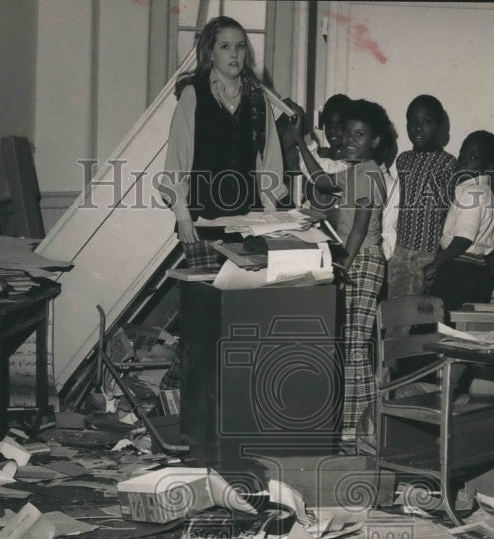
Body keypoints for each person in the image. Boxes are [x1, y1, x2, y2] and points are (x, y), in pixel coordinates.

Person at [290, 100, 398, 444]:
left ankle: (364, 427)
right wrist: (297, 141)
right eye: (348, 133)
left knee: (354, 347)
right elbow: (321, 181)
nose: (350, 140)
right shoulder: (355, 170)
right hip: (358, 260)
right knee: (352, 345)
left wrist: (343, 266)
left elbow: (359, 228)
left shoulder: (368, 173)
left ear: (376, 141)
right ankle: (357, 426)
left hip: (363, 261)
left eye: (360, 135)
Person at [160, 16, 286, 269]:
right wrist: (183, 217)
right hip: (202, 223)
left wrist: (269, 216)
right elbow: (176, 161)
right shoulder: (193, 94)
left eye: (240, 46)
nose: (235, 54)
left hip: (249, 221)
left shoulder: (258, 98)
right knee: (207, 301)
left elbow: (270, 159)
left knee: (242, 304)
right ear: (210, 52)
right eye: (225, 46)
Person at [424, 130, 494, 310]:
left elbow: (463, 239)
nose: (464, 159)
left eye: (473, 157)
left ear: (489, 166)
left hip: (460, 273)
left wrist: (436, 264)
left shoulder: (472, 193)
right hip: (478, 275)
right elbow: (492, 250)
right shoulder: (485, 193)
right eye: (462, 153)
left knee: (442, 327)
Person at [388, 95, 457, 299]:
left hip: (429, 253)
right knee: (395, 310)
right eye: (413, 122)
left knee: (420, 313)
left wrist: (439, 257)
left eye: (426, 122)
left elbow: (452, 211)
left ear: (439, 127)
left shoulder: (448, 164)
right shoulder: (403, 160)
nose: (418, 128)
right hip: (399, 250)